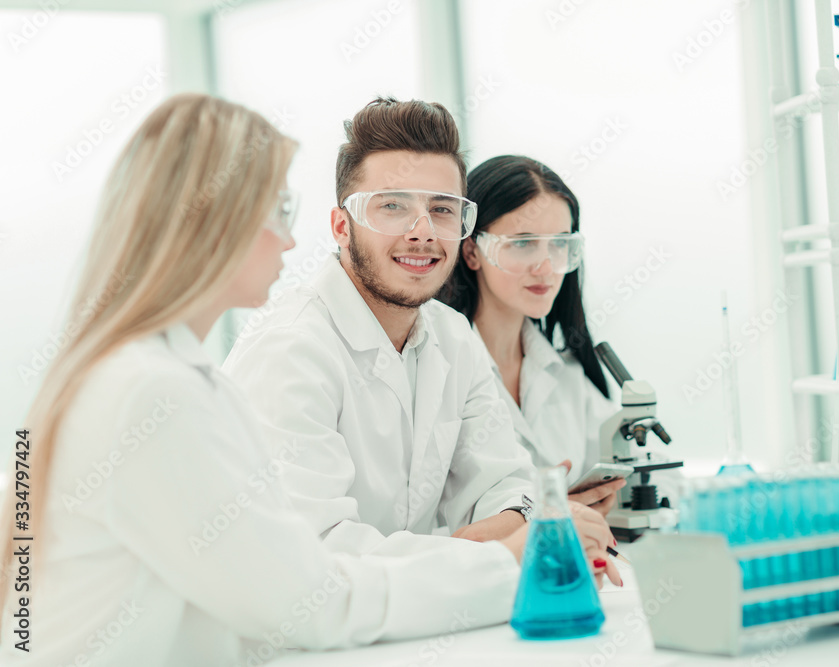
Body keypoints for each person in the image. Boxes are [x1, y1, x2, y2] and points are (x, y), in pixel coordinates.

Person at [0, 95, 618, 666]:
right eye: (277, 209)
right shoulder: (164, 389)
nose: (289, 237)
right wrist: (509, 558)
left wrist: (510, 536)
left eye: (441, 209)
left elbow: (502, 488)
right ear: (210, 224)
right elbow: (313, 590)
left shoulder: (157, 375)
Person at [223, 98, 620, 555]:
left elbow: (511, 487)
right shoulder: (290, 351)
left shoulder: (452, 338)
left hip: (425, 619)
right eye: (392, 206)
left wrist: (498, 538)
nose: (423, 231)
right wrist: (501, 550)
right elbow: (321, 558)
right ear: (341, 227)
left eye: (443, 209)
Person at [439, 155, 623, 515]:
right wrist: (541, 512)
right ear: (472, 251)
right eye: (523, 243)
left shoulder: (566, 375)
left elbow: (649, 475)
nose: (546, 267)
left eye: (559, 244)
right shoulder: (440, 368)